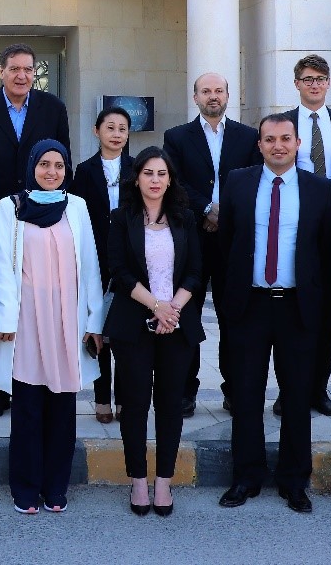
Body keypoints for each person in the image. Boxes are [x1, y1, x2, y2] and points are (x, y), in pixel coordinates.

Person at [0, 140, 104, 515]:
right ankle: (26, 488)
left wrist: (94, 320)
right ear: (32, 166)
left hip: (68, 317)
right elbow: (1, 263)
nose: (51, 172)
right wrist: (5, 318)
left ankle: (56, 487)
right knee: (28, 407)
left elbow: (91, 266)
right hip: (27, 320)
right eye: (44, 164)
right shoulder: (10, 206)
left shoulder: (76, 207)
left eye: (59, 165)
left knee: (62, 408)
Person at [217, 113, 331, 514]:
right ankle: (246, 477)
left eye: (285, 138)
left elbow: (327, 252)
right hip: (249, 304)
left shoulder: (319, 189)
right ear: (260, 145)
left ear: (298, 143)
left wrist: (318, 304)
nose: (278, 146)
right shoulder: (237, 181)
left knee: (297, 396)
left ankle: (293, 481)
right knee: (246, 394)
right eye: (269, 139)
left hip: (296, 307)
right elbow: (227, 244)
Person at [0, 43, 70, 420]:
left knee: (38, 299)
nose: (22, 75)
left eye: (28, 69)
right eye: (14, 69)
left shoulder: (53, 108)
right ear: (1, 72)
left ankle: (35, 380)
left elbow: (62, 162)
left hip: (43, 219)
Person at [104, 146, 203, 517]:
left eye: (162, 174)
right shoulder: (121, 218)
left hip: (177, 325)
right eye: (148, 173)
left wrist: (173, 308)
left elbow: (195, 270)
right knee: (134, 405)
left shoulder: (184, 218)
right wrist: (156, 306)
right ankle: (138, 482)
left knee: (170, 405)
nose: (156, 180)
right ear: (137, 178)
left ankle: (164, 481)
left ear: (170, 179)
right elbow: (118, 271)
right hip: (134, 322)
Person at [162, 72, 260, 413]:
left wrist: (226, 214)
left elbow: (254, 181)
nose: (212, 96)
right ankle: (185, 391)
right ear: (196, 97)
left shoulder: (249, 137)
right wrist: (206, 208)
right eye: (206, 91)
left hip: (233, 242)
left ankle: (234, 389)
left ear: (228, 95)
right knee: (186, 314)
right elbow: (173, 180)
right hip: (192, 238)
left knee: (234, 316)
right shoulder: (176, 137)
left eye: (219, 90)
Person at [284, 54, 331, 418]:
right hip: (290, 227)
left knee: (324, 311)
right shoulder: (283, 124)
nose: (315, 84)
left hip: (329, 228)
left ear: (329, 83)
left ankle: (318, 387)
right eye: (308, 78)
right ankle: (289, 389)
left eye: (321, 78)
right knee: (288, 311)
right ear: (296, 83)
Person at [70, 105, 133, 423]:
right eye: (110, 128)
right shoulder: (84, 171)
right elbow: (77, 218)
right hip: (94, 259)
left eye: (122, 128)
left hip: (130, 260)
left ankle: (124, 399)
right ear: (97, 131)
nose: (116, 134)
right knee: (97, 330)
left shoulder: (138, 168)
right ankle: (100, 399)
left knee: (124, 332)